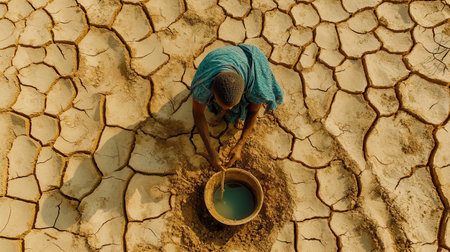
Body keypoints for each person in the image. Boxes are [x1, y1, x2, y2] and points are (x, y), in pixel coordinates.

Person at [191, 44, 283, 171]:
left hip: (250, 60)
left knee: (254, 101)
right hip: (217, 59)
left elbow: (253, 111)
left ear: (244, 90)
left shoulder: (254, 85)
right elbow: (197, 113)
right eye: (223, 105)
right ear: (213, 91)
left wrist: (240, 144)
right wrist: (211, 151)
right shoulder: (203, 86)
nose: (228, 109)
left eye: (232, 105)